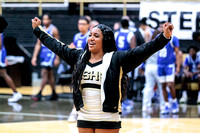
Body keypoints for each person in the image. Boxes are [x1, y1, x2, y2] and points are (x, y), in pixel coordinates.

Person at [32, 17, 173, 133]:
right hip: (84, 115)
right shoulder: (79, 57)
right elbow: (57, 46)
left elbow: (144, 50)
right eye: (90, 35)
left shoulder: (117, 59)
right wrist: (39, 31)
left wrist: (164, 37)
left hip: (107, 117)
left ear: (105, 40)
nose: (91, 38)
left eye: (96, 36)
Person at [31, 14, 60, 101]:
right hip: (43, 54)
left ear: (50, 20)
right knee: (50, 74)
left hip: (50, 54)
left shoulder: (54, 29)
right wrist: (34, 57)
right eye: (43, 19)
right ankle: (54, 93)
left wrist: (57, 58)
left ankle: (39, 94)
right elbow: (38, 44)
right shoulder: (41, 29)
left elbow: (58, 44)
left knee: (44, 73)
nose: (45, 21)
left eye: (47, 19)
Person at [157, 21, 180, 114]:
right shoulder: (157, 37)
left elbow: (177, 53)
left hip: (169, 64)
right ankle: (166, 104)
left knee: (170, 85)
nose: (161, 28)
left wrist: (178, 66)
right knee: (163, 86)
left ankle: (174, 102)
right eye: (160, 27)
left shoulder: (174, 38)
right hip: (160, 64)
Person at [0, 17, 22, 102]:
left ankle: (16, 93)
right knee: (3, 74)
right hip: (1, 56)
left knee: (4, 74)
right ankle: (16, 93)